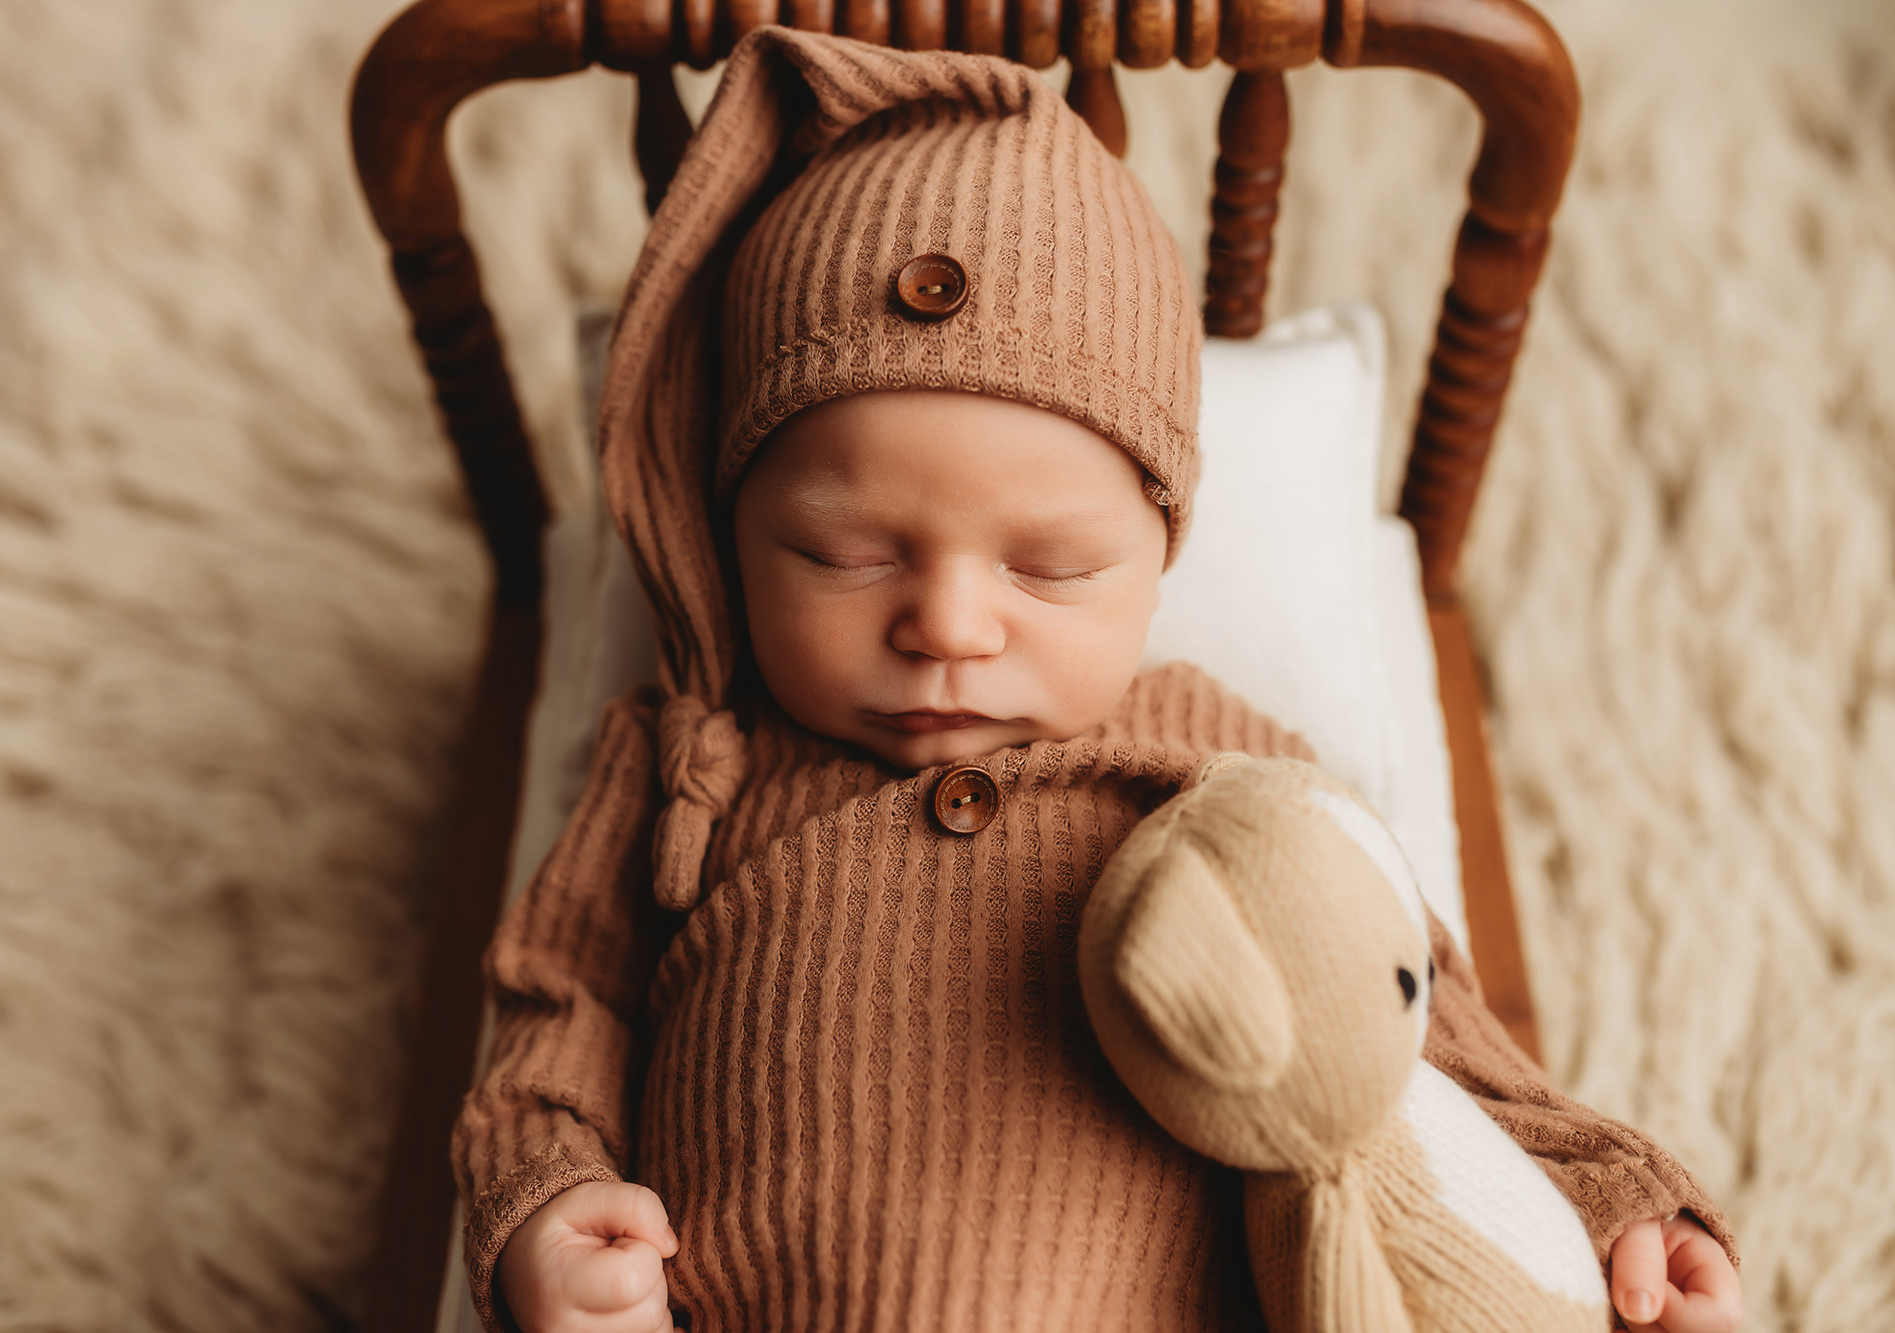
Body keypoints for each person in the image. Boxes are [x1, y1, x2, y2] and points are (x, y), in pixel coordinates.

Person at [452, 27, 1743, 1333]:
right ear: (729, 532)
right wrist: (543, 1209)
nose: (949, 625)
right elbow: (555, 1002)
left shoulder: (1213, 753)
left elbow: (1407, 1013)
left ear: (1159, 552)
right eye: (841, 554)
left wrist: (1611, 1192)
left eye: (1053, 566)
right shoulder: (692, 756)